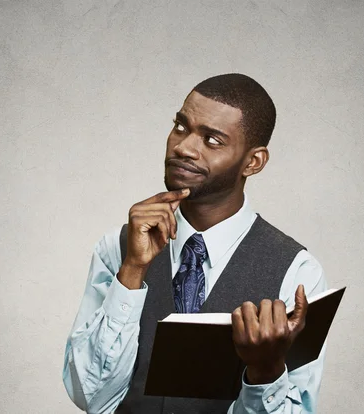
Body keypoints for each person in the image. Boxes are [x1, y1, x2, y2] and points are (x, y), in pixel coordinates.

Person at [63, 73, 328, 413]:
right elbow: (89, 396)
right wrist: (132, 271)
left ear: (253, 161)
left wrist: (266, 372)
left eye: (213, 140)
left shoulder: (297, 272)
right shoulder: (117, 248)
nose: (183, 147)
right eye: (181, 126)